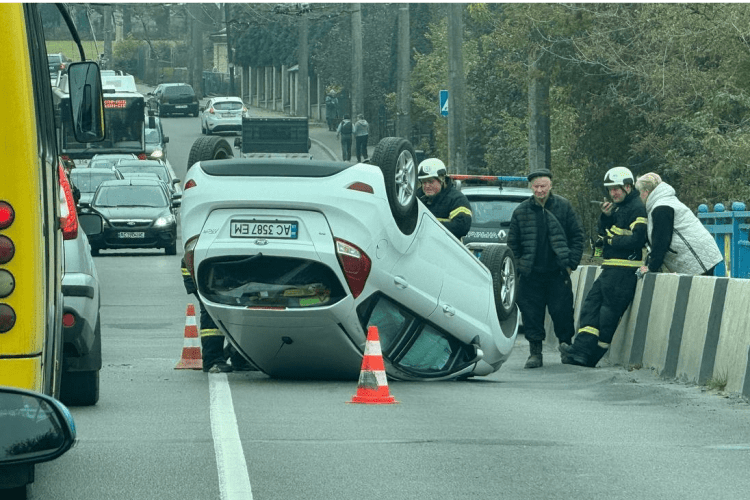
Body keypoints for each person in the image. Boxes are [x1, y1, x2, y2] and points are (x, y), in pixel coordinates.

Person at [560, 166, 648, 367]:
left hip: (624, 271)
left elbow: (637, 239)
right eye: (610, 189)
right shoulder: (619, 207)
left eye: (617, 188)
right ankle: (579, 352)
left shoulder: (636, 207)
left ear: (628, 187)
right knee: (590, 308)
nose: (613, 193)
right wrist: (606, 217)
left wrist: (610, 242)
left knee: (608, 315)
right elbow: (604, 233)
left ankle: (589, 357)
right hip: (610, 269)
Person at [507, 169, 584, 369]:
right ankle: (535, 353)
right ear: (531, 187)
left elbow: (577, 237)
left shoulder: (564, 207)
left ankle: (566, 348)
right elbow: (512, 245)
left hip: (557, 273)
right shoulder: (521, 211)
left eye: (543, 186)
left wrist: (570, 264)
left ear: (550, 186)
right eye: (536, 186)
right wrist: (520, 267)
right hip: (531, 274)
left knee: (563, 312)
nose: (539, 190)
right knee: (531, 314)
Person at [635, 172, 723, 276]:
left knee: (699, 289)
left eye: (639, 192)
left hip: (696, 256)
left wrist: (651, 267)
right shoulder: (665, 201)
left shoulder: (661, 207)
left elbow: (661, 241)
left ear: (646, 192)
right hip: (701, 251)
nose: (639, 197)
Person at [181, 258, 252, 373]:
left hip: (224, 275)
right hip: (204, 276)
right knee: (211, 316)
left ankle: (240, 358)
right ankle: (212, 361)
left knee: (242, 314)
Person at [415, 158, 472, 239]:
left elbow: (461, 227)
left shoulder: (457, 199)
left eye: (431, 182)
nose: (427, 186)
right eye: (424, 182)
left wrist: (427, 226)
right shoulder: (416, 198)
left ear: (442, 179)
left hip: (446, 249)